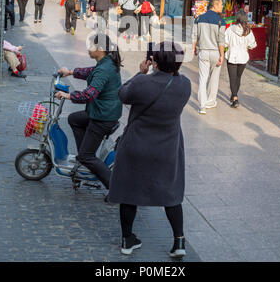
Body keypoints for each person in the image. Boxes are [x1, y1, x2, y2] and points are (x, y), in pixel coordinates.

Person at [108, 41, 191, 257]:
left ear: (154, 61)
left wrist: (140, 73)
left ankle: (128, 239)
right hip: (167, 148)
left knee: (129, 191)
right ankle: (179, 242)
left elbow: (123, 94)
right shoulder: (186, 85)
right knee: (171, 194)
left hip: (137, 145)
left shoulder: (142, 83)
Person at [55, 34, 122, 190]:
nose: (88, 49)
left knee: (87, 155)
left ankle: (114, 189)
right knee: (74, 119)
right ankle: (84, 158)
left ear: (100, 49)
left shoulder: (105, 68)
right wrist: (70, 72)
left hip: (103, 117)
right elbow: (90, 72)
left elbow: (88, 95)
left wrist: (68, 95)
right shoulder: (105, 63)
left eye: (90, 46)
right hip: (103, 112)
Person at [192, 0, 226, 115]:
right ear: (215, 5)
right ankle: (210, 101)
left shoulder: (199, 18)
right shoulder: (221, 21)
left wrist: (194, 49)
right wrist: (222, 55)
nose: (222, 6)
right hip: (215, 52)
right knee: (214, 78)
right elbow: (221, 40)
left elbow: (195, 35)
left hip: (203, 51)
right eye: (221, 4)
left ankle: (202, 106)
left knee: (203, 78)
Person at [225, 10, 257, 108]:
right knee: (238, 77)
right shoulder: (248, 31)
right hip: (243, 57)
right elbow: (253, 45)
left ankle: (234, 97)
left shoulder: (230, 29)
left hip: (232, 56)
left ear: (237, 18)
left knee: (232, 78)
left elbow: (225, 42)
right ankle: (234, 95)